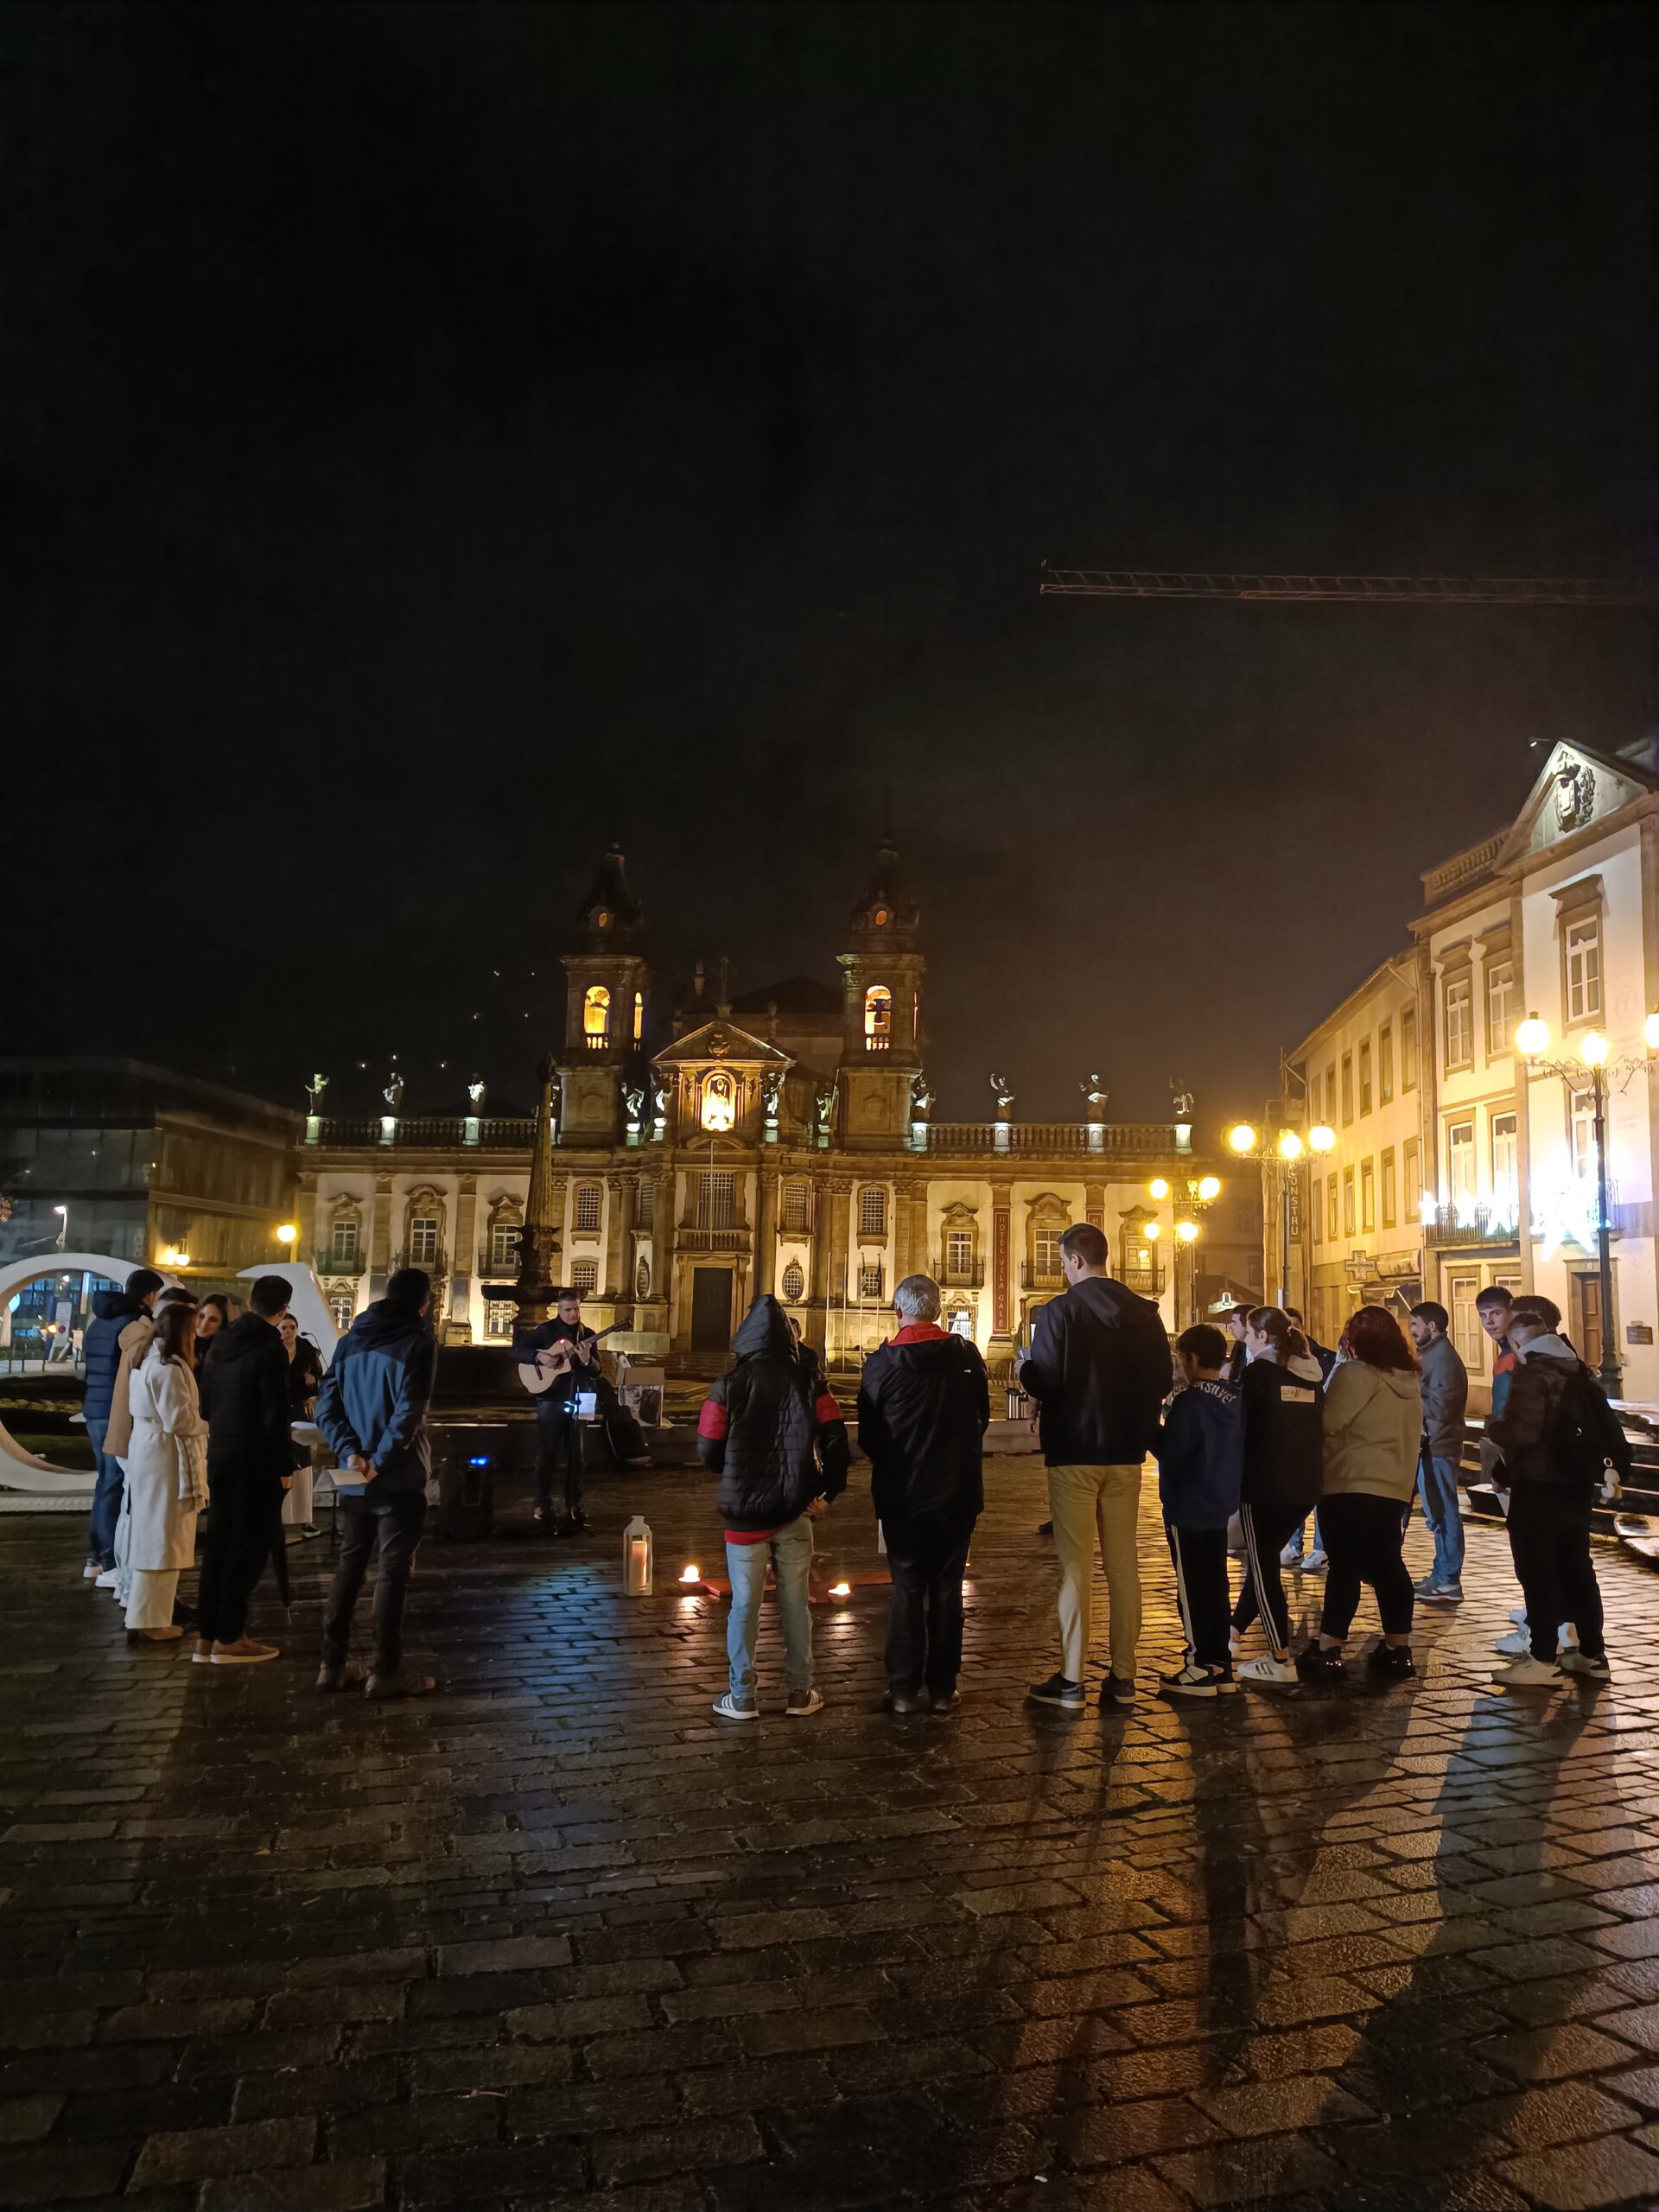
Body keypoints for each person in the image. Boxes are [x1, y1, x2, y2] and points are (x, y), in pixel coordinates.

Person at [1019, 1223, 1171, 1712]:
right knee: (1123, 1565)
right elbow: (1162, 1380)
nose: (1063, 1270)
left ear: (1076, 1260)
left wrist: (1025, 1370)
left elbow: (1046, 1380)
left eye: (1063, 1262)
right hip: (1126, 1455)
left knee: (1075, 1567)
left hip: (1074, 1454)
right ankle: (1123, 1677)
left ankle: (1071, 1680)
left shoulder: (1059, 1312)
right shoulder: (1145, 1313)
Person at [698, 1294, 849, 1721]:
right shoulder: (810, 1383)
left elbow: (707, 1448)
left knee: (744, 1606)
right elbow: (837, 1440)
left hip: (744, 1516)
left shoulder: (727, 1385)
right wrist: (827, 1493)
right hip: (796, 1508)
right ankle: (800, 1692)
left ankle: (742, 1696)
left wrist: (731, 1469)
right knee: (795, 1605)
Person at [857, 1274, 990, 1713]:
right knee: (948, 1587)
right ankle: (942, 1690)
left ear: (899, 1312)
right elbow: (982, 1418)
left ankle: (902, 1690)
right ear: (937, 1311)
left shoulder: (881, 1364)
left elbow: (869, 1437)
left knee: (907, 1587)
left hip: (902, 1494)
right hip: (957, 1491)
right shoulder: (966, 1356)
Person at [1486, 1294, 1630, 1688]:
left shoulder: (1533, 1373)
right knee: (1578, 1567)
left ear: (1519, 1343)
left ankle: (1542, 1658)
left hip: (1538, 1486)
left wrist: (1494, 1426)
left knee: (1538, 1570)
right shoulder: (1577, 1370)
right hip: (1575, 1485)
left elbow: (1523, 1432)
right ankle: (1592, 1654)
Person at [315, 1266, 438, 1699]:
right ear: (423, 1305)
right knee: (392, 1574)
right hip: (398, 1477)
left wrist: (351, 1452)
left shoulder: (349, 1342)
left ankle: (332, 1665)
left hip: (353, 1477)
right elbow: (409, 1414)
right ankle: (385, 1672)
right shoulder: (419, 1343)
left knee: (349, 1568)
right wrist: (379, 1462)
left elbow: (325, 1408)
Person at [1298, 1307, 1420, 1683]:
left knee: (1345, 1566)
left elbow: (1328, 1422)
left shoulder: (1354, 1373)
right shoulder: (1408, 1379)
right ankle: (1398, 1648)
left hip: (1350, 1482)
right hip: (1393, 1485)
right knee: (1388, 1565)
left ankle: (1329, 1648)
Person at [194, 1274, 293, 1665]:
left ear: (250, 1302)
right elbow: (275, 1415)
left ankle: (207, 1635)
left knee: (219, 1545)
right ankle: (230, 1636)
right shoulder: (269, 1348)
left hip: (220, 1454)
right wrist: (284, 1465)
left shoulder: (222, 1342)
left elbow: (205, 1405)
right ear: (283, 1310)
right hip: (256, 1461)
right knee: (248, 1549)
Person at [1231, 1306, 1324, 1689]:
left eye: (1250, 1334)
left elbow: (1240, 1425)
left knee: (1263, 1568)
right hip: (1304, 1486)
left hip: (1263, 1484)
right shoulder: (1311, 1376)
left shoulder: (1259, 1373)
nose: (1247, 1342)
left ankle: (1280, 1658)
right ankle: (1234, 1632)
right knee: (1264, 1561)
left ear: (1263, 1337)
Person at [1154, 1324, 1243, 1697]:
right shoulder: (1235, 1398)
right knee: (1216, 1584)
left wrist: (1149, 1428)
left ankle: (1197, 1665)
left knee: (1191, 1588)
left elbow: (1172, 1452)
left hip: (1187, 1504)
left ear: (1191, 1358)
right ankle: (1220, 1661)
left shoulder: (1190, 1402)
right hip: (1220, 1502)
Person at [121, 1300, 208, 1643]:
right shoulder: (168, 1368)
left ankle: (147, 1615)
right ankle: (152, 1621)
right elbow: (179, 1420)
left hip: (150, 1451)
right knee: (163, 1538)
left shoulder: (147, 1360)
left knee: (155, 1536)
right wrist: (207, 1425)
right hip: (165, 1457)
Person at [81, 1268, 162, 1580]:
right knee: (114, 1484)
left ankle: (95, 1557)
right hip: (115, 1411)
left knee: (105, 1482)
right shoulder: (134, 1324)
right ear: (150, 1295)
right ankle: (107, 1558)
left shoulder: (99, 1322)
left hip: (94, 1409)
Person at [515, 1287, 598, 1534]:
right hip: (551, 1399)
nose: (574, 1314)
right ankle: (542, 1504)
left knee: (578, 1456)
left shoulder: (587, 1335)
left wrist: (586, 1360)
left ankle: (575, 1505)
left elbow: (597, 1371)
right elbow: (516, 1350)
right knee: (547, 1454)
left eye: (577, 1309)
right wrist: (538, 1357)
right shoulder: (545, 1332)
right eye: (568, 1310)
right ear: (558, 1310)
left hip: (581, 1397)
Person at [1408, 1300, 1470, 1603]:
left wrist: (1410, 1401)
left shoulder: (1442, 1359)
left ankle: (1448, 1578)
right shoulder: (1432, 1356)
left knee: (1444, 1510)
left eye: (1415, 1325)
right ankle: (1441, 1572)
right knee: (1436, 1509)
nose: (1411, 1331)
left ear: (1431, 1326)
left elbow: (1441, 1407)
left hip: (1439, 1444)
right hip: (1431, 1443)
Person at [1278, 1307, 1333, 1574]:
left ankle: (1321, 1548)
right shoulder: (1278, 1360)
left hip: (1315, 1437)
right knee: (1294, 1493)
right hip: (1292, 1440)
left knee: (1318, 1494)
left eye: (1294, 1325)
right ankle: (1293, 1544)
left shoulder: (1322, 1358)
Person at [278, 1313, 324, 1534]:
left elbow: (319, 1377)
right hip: (277, 1411)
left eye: (292, 1327)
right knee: (280, 1461)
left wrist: (313, 1381)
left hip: (299, 1411)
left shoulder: (306, 1349)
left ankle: (306, 1518)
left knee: (303, 1462)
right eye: (284, 1327)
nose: (288, 1331)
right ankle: (279, 1518)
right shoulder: (272, 1350)